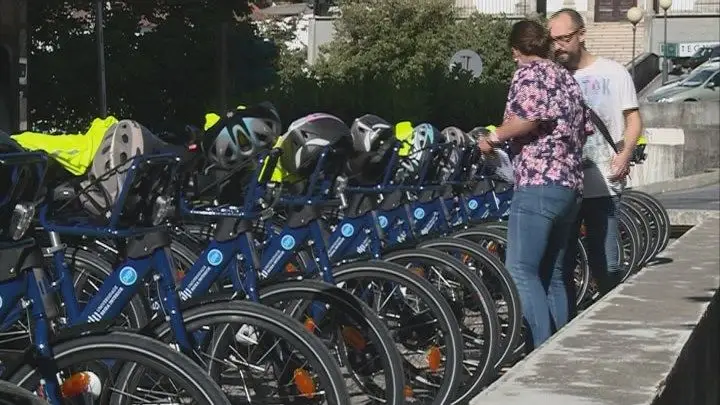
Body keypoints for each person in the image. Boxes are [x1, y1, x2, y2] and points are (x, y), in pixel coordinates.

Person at [477, 19, 592, 351]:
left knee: (520, 270)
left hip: (538, 183)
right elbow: (583, 129)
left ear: (517, 50)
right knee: (553, 275)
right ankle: (560, 349)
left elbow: (528, 117)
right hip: (570, 186)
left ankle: (541, 353)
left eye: (514, 53)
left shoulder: (530, 73)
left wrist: (493, 137)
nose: (514, 59)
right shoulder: (566, 78)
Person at [548, 9, 644, 316]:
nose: (558, 46)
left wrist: (625, 154)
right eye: (553, 40)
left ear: (582, 34)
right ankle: (566, 328)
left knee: (606, 262)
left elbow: (633, 120)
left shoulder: (613, 73)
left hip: (604, 182)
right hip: (564, 185)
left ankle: (610, 323)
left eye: (564, 38)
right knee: (561, 265)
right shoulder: (553, 77)